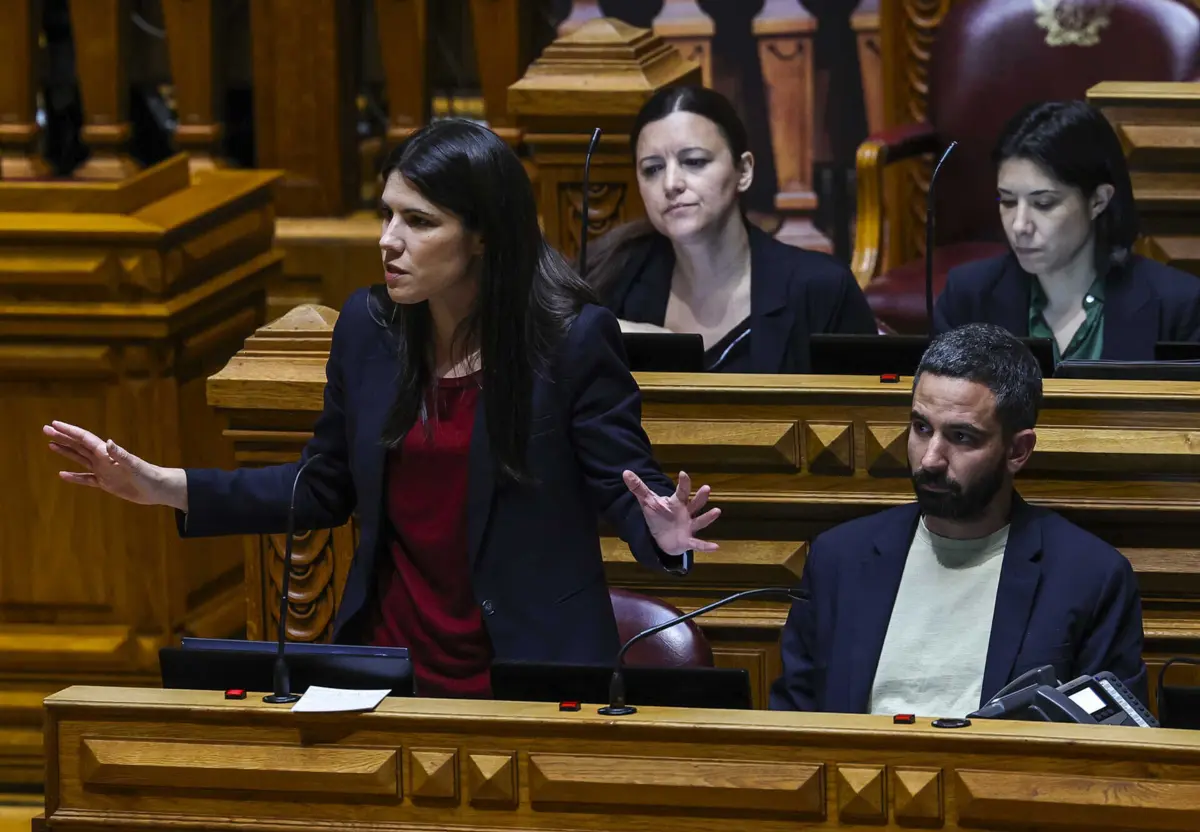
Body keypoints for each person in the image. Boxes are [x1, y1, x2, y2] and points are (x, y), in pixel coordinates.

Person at [43, 119, 720, 700]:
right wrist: (162, 485)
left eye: (418, 222)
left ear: (483, 236)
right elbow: (321, 485)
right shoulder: (369, 331)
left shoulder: (570, 341)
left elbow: (625, 483)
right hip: (388, 668)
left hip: (529, 671)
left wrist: (662, 534)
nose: (388, 240)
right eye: (387, 215)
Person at [769, 323, 1146, 716]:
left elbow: (1110, 740)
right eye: (921, 428)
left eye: (961, 437)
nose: (931, 459)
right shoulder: (839, 559)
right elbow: (792, 719)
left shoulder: (1089, 577)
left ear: (1017, 451)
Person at [584, 85, 876, 373]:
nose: (671, 183)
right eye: (653, 168)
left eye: (694, 161)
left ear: (744, 171)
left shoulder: (823, 289)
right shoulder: (616, 278)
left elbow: (870, 400)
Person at [934, 100, 1200, 361]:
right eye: (1008, 201)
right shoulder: (967, 298)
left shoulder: (1179, 306)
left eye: (1044, 203)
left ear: (1098, 201)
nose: (1019, 225)